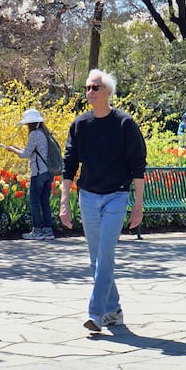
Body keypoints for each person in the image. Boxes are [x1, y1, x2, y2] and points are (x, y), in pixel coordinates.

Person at [59, 69, 147, 333]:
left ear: (108, 92)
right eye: (87, 87)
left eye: (95, 87)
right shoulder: (80, 124)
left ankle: (95, 314)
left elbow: (138, 165)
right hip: (88, 196)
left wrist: (138, 205)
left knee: (105, 255)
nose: (90, 92)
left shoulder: (125, 123)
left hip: (117, 196)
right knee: (96, 259)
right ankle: (114, 310)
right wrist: (64, 201)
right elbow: (69, 164)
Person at [7, 108, 56, 240]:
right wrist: (19, 149)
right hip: (48, 172)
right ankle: (48, 231)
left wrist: (13, 150)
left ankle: (37, 231)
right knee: (45, 202)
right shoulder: (45, 133)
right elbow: (35, 151)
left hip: (38, 172)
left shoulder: (34, 134)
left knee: (35, 202)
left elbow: (25, 154)